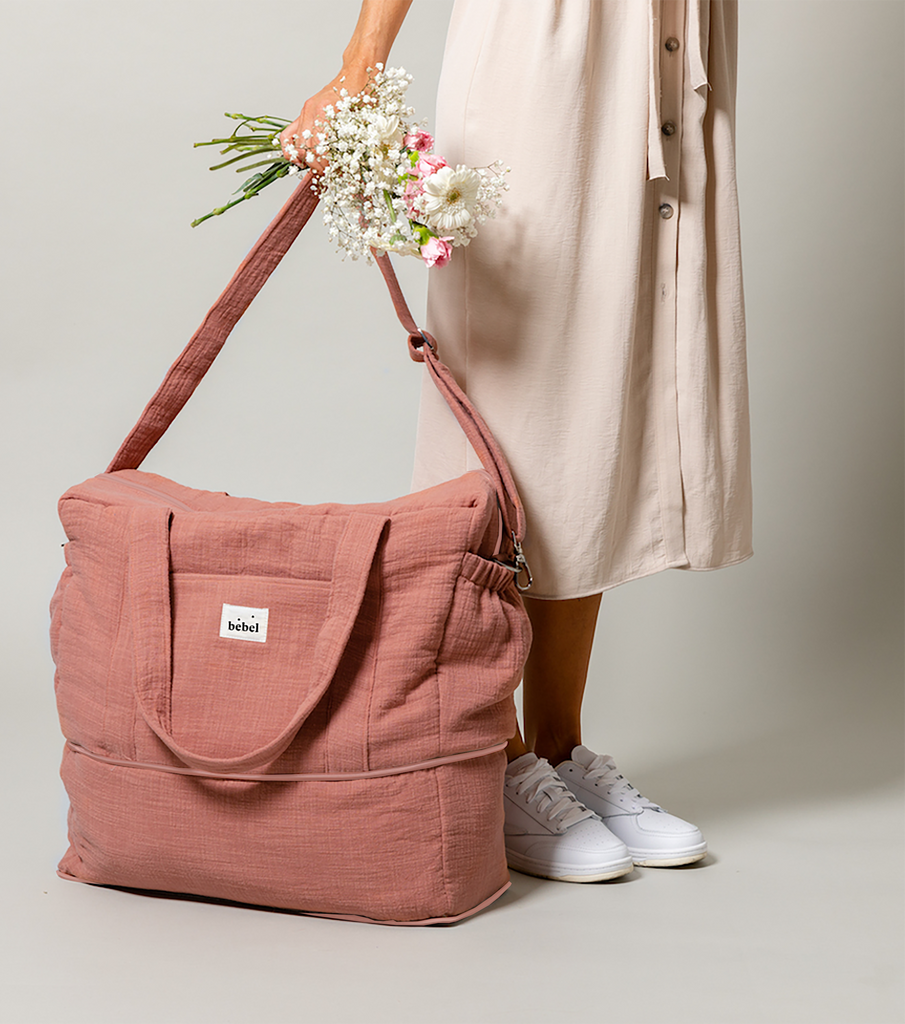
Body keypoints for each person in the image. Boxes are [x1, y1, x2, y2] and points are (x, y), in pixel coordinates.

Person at [280, 0, 750, 883]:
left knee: (601, 400)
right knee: (516, 397)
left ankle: (558, 752)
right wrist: (361, 62)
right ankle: (491, 759)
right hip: (546, 43)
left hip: (664, 35)